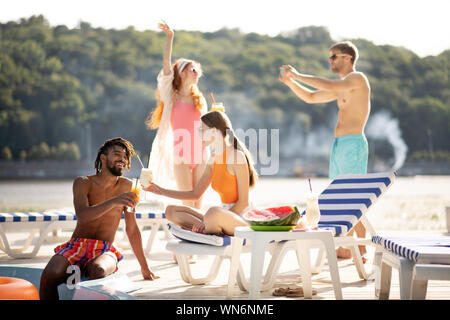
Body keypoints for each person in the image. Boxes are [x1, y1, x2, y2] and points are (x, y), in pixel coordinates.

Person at [279, 41, 370, 262]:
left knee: (352, 196)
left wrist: (298, 75)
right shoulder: (342, 87)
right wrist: (290, 82)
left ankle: (361, 246)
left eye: (334, 56)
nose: (330, 61)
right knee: (341, 195)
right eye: (329, 57)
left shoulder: (357, 79)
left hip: (352, 144)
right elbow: (311, 97)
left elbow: (327, 85)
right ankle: (351, 244)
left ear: (348, 58)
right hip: (339, 145)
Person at [39, 137, 158, 300]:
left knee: (97, 270)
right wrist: (115, 201)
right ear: (103, 157)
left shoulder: (128, 186)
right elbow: (83, 217)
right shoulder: (83, 183)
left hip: (105, 249)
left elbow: (132, 228)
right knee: (50, 273)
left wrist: (144, 267)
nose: (122, 159)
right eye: (117, 154)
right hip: (77, 244)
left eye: (125, 157)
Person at [143, 110, 258, 236]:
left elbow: (243, 203)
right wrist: (159, 190)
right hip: (220, 217)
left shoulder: (236, 156)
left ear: (214, 131)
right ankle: (207, 227)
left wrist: (216, 218)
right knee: (171, 211)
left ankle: (207, 227)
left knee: (213, 212)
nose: (199, 134)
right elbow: (195, 194)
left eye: (202, 130)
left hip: (240, 219)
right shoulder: (213, 158)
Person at [146, 20, 208, 210]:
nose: (194, 69)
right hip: (180, 152)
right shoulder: (171, 96)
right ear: (179, 75)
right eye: (188, 67)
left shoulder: (200, 99)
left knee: (199, 202)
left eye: (194, 67)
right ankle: (190, 233)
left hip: (201, 152)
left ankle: (199, 237)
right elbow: (166, 64)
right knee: (187, 202)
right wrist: (170, 37)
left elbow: (206, 128)